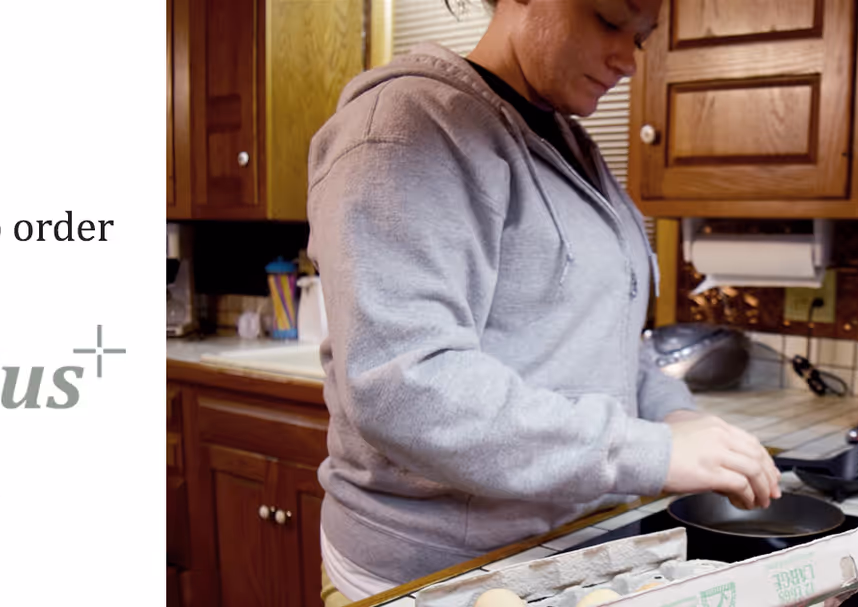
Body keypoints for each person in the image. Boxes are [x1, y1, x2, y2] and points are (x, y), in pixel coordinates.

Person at [306, 0, 781, 603]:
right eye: (609, 21)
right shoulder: (402, 130)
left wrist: (673, 414)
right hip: (439, 577)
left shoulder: (568, 140)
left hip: (563, 552)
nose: (628, 60)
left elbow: (600, 340)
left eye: (641, 37)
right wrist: (648, 452)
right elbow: (407, 385)